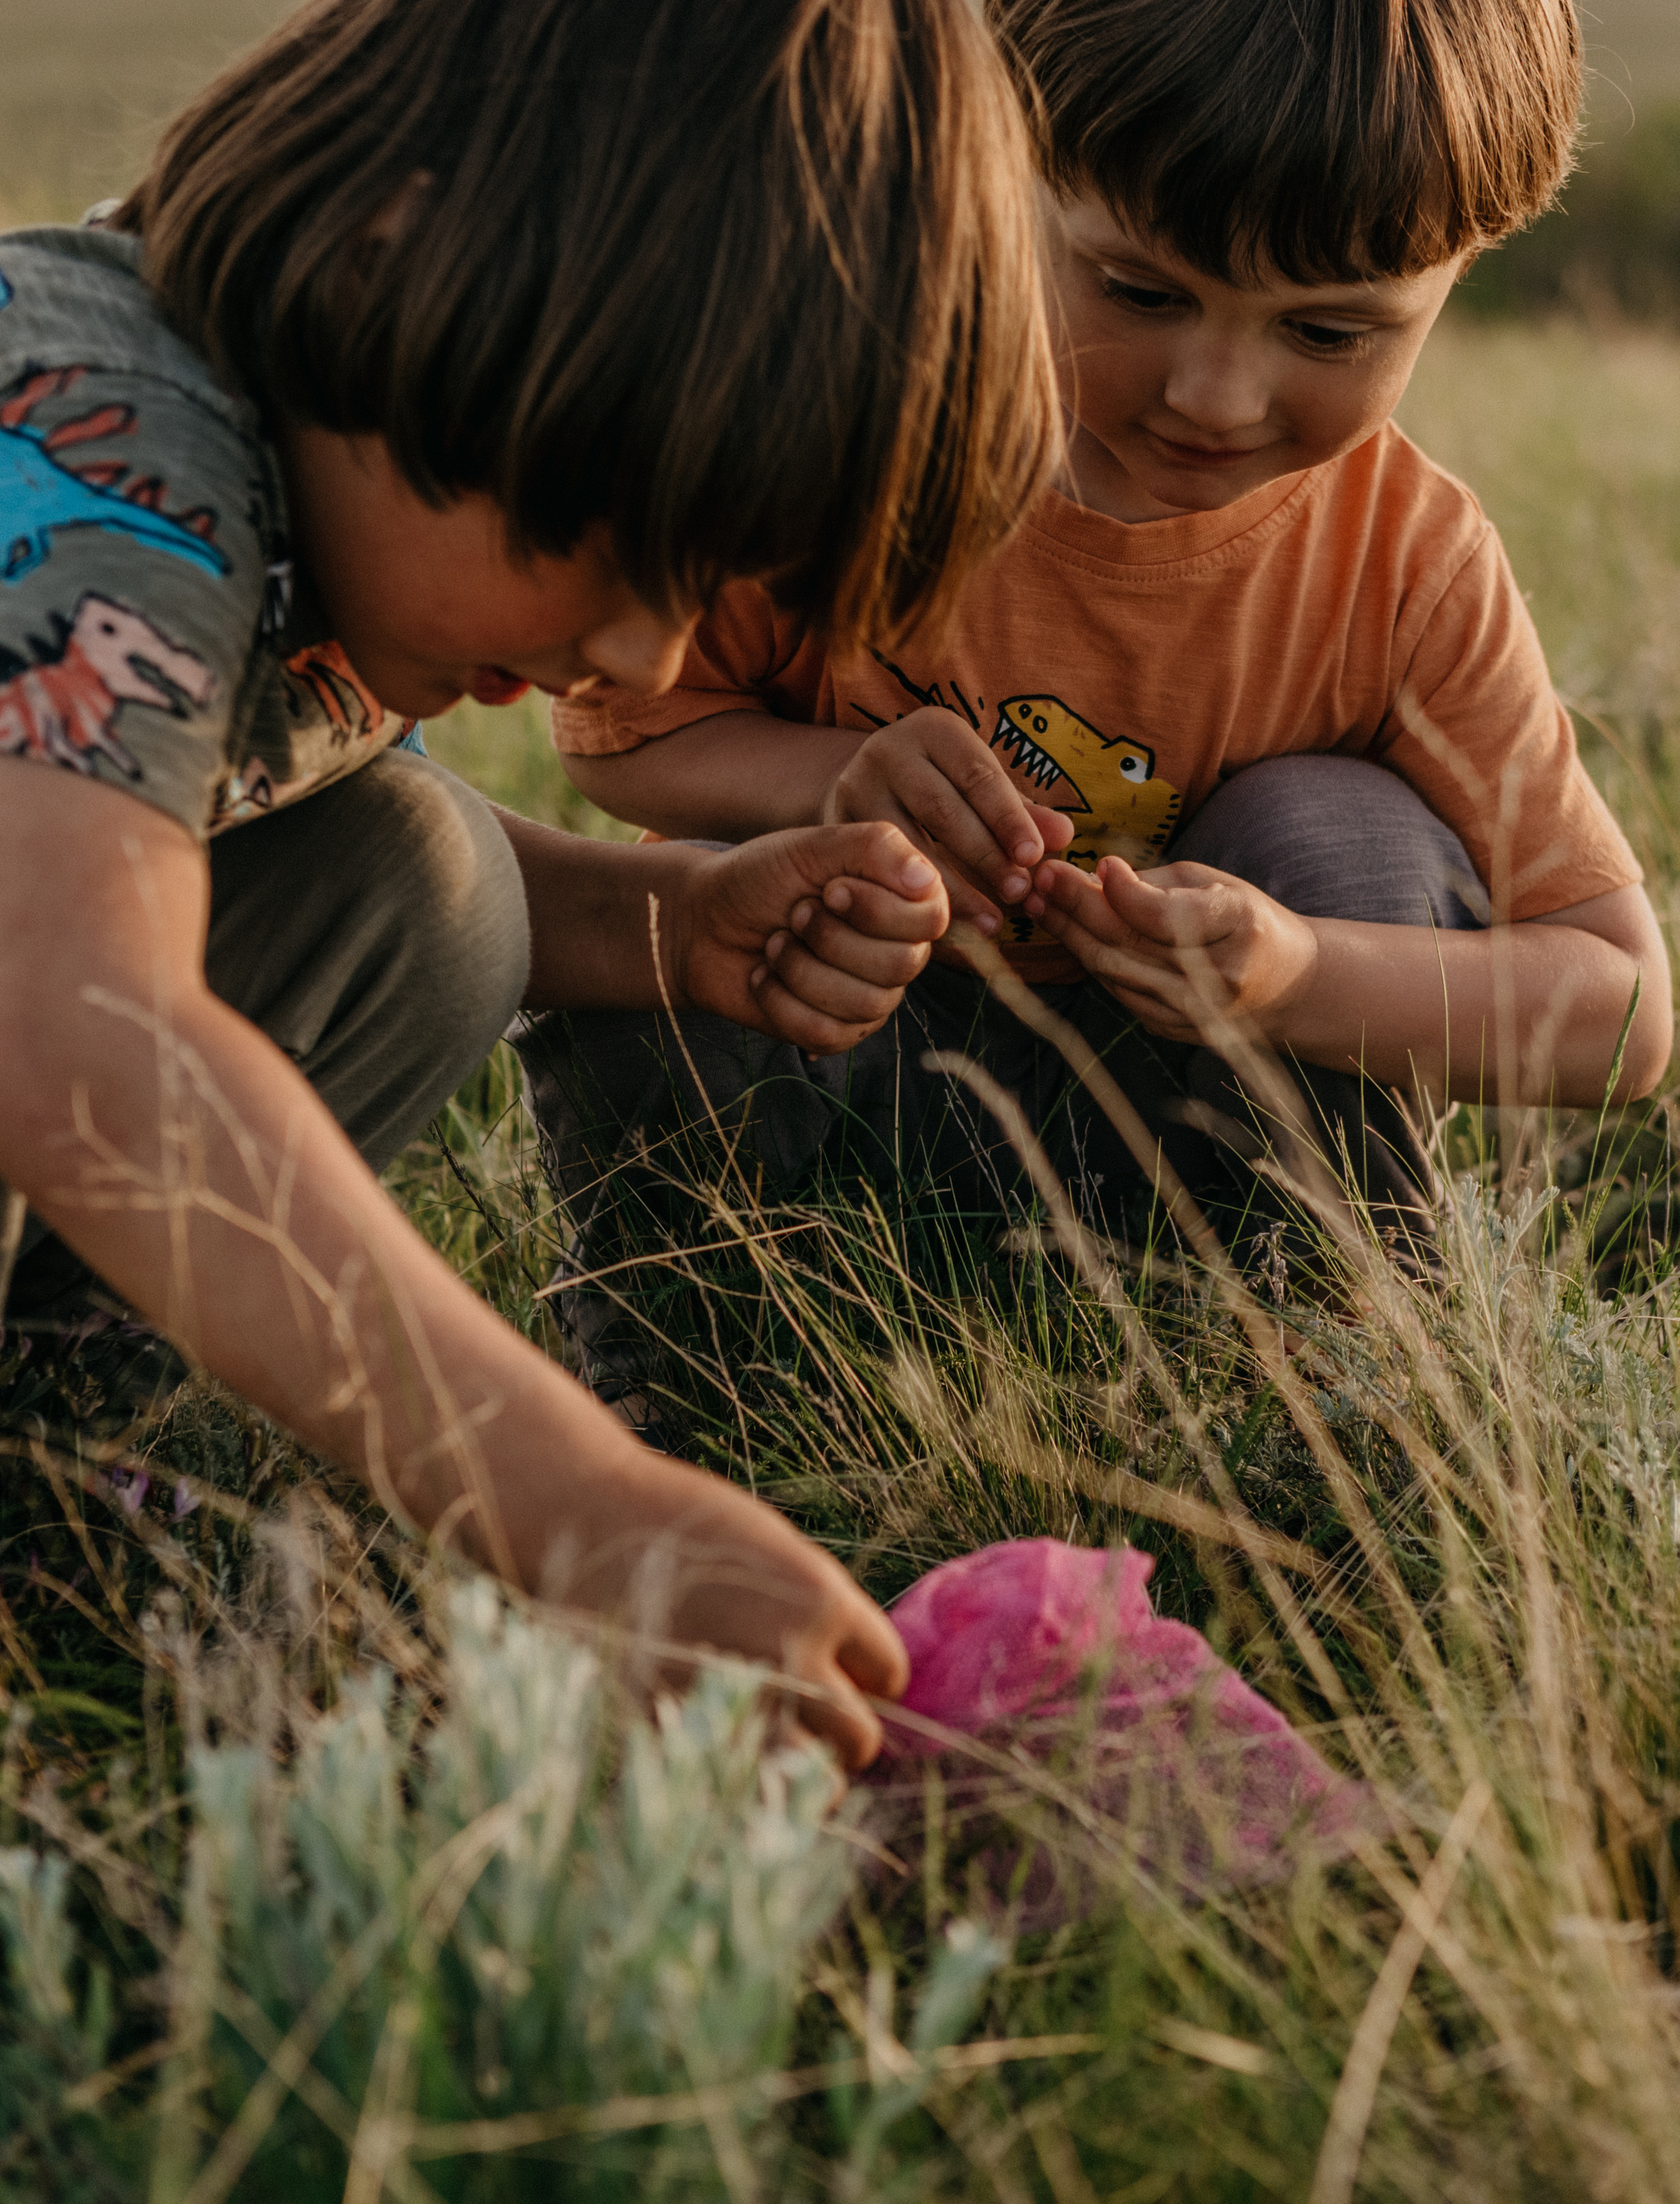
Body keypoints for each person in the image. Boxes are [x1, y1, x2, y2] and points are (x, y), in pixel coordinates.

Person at [0, 0, 1060, 1768]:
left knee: (422, 881)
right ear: (392, 253)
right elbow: (73, 1029)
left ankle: (54, 1503)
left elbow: (194, 868)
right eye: (615, 537)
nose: (641, 644)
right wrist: (575, 1503)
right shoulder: (95, 438)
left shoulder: (305, 490)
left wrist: (674, 921)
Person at [522, 0, 1672, 1351]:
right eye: (1140, 293)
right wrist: (828, 779)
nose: (1214, 395)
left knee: (1343, 827)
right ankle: (688, 1370)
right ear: (996, 170)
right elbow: (622, 734)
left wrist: (1294, 977)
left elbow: (1620, 1015)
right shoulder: (851, 430)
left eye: (1328, 334)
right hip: (840, 1120)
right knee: (664, 909)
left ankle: (1314, 1361)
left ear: (1458, 273)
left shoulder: (1404, 564)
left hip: (1198, 1158)